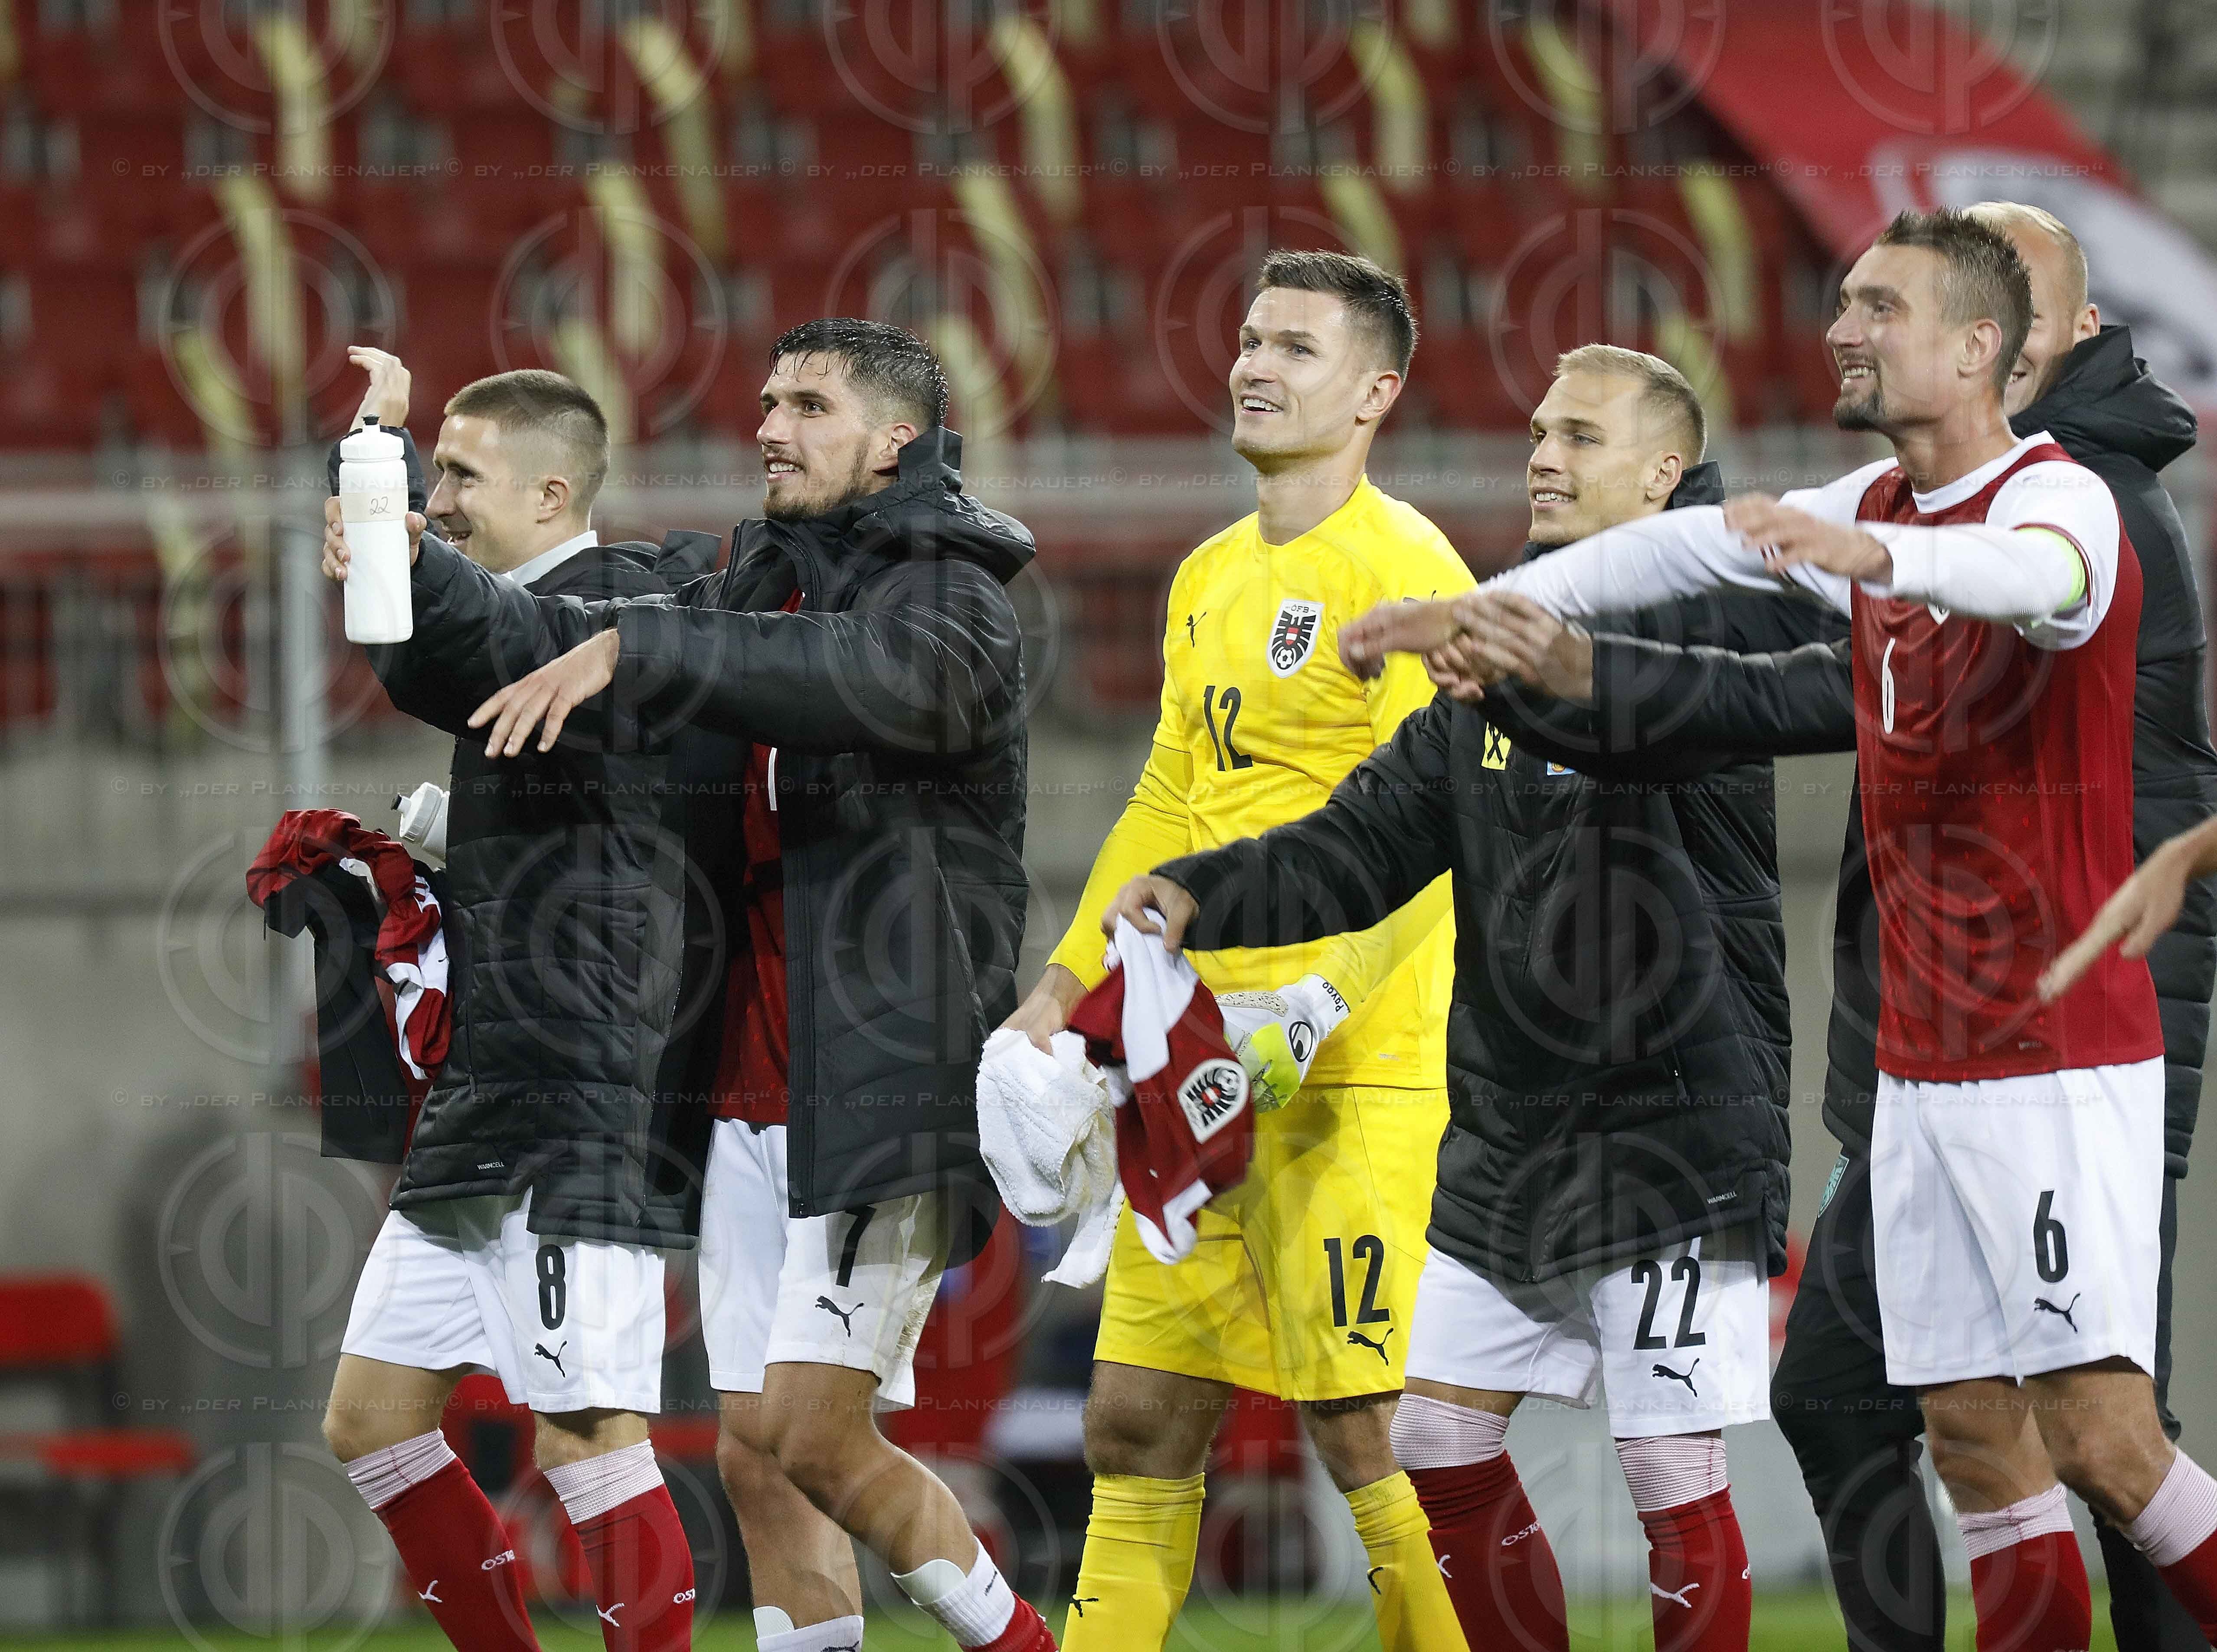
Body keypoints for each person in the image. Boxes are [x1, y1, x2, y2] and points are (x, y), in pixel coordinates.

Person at [1357, 206, 2217, 1651]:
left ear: (1978, 346)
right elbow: (1671, 556)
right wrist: (1483, 609)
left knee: (2104, 1439)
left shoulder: (2067, 501)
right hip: (1925, 1065)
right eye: (1842, 302)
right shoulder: (1873, 503)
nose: (1843, 328)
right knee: (1966, 1437)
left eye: (1881, 306)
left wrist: (1881, 568)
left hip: (2060, 1056)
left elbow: (2040, 587)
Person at [324, 319, 1056, 1652]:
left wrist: (640, 651)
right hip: (735, 1086)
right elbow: (547, 626)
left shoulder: (957, 599)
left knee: (820, 1440)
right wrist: (403, 552)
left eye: (809, 405)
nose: (769, 424)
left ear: (897, 439)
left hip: (875, 1081)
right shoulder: (749, 585)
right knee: (759, 1462)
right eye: (767, 398)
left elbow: (875, 681)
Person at [1098, 342, 1804, 1652]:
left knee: (1666, 1470)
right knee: (1433, 1431)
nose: (1541, 452)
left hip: (1673, 1126)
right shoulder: (1492, 656)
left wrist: (1505, 653)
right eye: (1537, 430)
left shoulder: (1711, 621)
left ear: (1663, 473)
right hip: (1513, 1131)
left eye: (1580, 437)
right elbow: (1360, 844)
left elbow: (1627, 719)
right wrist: (1206, 888)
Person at [999, 249, 1471, 1652]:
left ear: (1377, 391)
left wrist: (1326, 1000)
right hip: (1195, 1056)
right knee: (1133, 1416)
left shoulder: (1411, 571)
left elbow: (1443, 833)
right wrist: (1063, 984)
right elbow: (1165, 797)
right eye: (1250, 339)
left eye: (1298, 348)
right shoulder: (1208, 572)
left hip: (1350, 1074)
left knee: (1357, 1418)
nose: (1255, 365)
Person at [320, 355, 707, 1652]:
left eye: (460, 475)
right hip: (494, 1082)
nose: (442, 498)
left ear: (554, 492)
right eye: (433, 474)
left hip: (578, 1090)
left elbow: (478, 640)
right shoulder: (530, 614)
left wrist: (379, 492)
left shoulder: (614, 608)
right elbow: (446, 656)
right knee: (370, 1417)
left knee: (587, 1426)